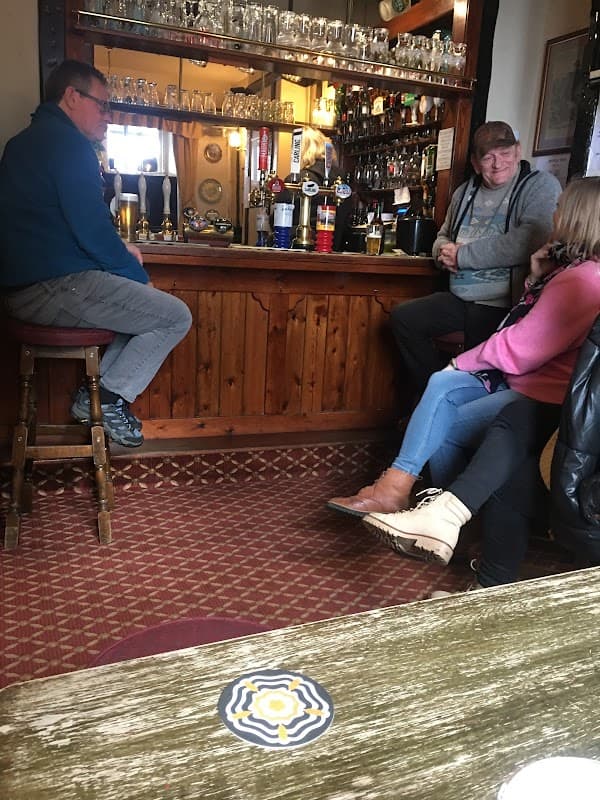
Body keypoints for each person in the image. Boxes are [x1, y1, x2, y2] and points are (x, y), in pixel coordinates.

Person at [327, 176, 600, 572]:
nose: (554, 213)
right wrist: (535, 276)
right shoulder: (573, 271)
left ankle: (417, 502)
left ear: (577, 217)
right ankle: (428, 511)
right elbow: (524, 329)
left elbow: (521, 348)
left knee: (443, 397)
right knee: (441, 398)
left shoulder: (582, 278)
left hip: (544, 398)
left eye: (561, 207)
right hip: (534, 387)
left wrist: (464, 360)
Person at [0, 60, 192, 447]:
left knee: (141, 311)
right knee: (174, 316)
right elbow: (90, 229)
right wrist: (137, 276)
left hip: (26, 287)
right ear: (72, 96)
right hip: (52, 286)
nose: (107, 116)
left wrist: (119, 254)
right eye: (102, 105)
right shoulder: (68, 145)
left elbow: (61, 222)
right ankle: (102, 398)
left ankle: (101, 396)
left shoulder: (25, 142)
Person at [389, 121, 562, 393]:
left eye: (505, 154)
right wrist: (442, 253)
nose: (497, 163)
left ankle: (450, 401)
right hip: (459, 298)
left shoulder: (539, 185)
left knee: (476, 368)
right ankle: (433, 393)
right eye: (488, 156)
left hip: (504, 304)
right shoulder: (465, 192)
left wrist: (463, 256)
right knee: (405, 318)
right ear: (474, 161)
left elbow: (530, 240)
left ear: (518, 152)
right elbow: (443, 235)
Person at [280, 127, 352, 252]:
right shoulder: (341, 181)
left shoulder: (296, 180)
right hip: (333, 251)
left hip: (296, 250)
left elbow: (279, 217)